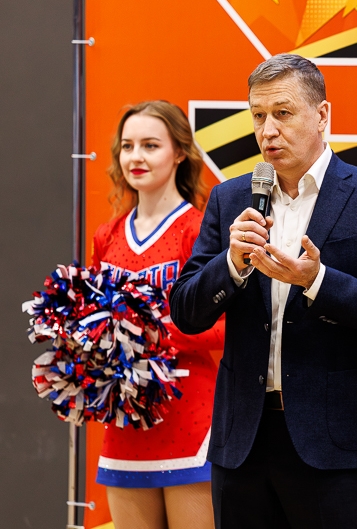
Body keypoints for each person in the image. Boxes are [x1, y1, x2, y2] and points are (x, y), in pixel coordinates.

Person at [169, 53, 357, 528]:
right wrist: (231, 264)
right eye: (258, 116)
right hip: (242, 443)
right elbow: (185, 311)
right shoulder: (230, 198)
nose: (268, 130)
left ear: (322, 115)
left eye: (282, 113)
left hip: (331, 446)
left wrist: (316, 280)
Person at [92, 100, 224, 529]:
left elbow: (227, 326)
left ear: (179, 152)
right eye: (128, 146)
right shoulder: (107, 236)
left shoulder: (198, 230)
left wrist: (155, 332)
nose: (136, 157)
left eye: (150, 145)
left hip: (190, 413)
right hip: (126, 420)